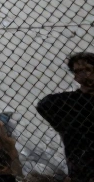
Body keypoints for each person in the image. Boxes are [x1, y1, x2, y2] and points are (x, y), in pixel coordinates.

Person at [37, 51, 94, 182]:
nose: (85, 74)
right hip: (81, 166)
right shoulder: (67, 101)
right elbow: (44, 105)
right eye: (78, 71)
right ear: (75, 76)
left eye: (88, 69)